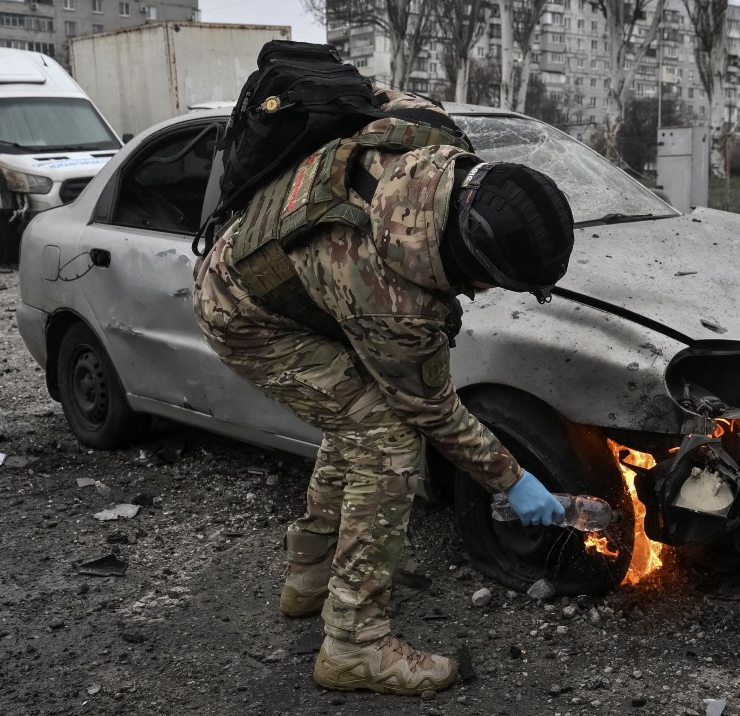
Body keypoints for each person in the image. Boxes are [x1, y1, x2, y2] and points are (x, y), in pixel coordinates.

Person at [192, 90, 575, 696]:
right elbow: (434, 411)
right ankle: (354, 643)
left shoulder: (429, 133)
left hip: (267, 257)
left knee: (355, 419)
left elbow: (372, 96)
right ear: (473, 262)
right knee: (386, 435)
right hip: (245, 316)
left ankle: (310, 577)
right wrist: (512, 480)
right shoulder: (394, 304)